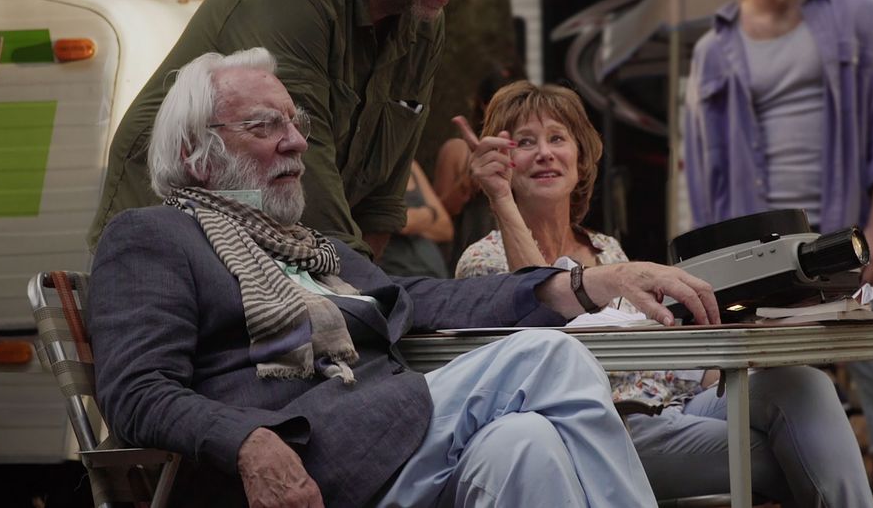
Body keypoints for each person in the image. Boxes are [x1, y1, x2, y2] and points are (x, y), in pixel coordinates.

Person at [89, 47, 722, 508]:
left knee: (524, 444)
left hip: (393, 437)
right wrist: (249, 441)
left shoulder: (311, 245)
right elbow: (137, 390)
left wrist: (582, 284)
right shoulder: (154, 236)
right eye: (265, 126)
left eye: (296, 124)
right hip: (314, 452)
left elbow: (422, 297)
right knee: (549, 357)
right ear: (193, 154)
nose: (295, 144)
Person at [455, 80, 873, 506]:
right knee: (800, 453)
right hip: (606, 428)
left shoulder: (607, 250)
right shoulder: (484, 261)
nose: (545, 152)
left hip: (677, 401)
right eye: (525, 142)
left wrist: (735, 356)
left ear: (580, 158)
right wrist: (501, 199)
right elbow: (541, 297)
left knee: (804, 384)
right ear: (501, 164)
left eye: (557, 138)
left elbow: (666, 345)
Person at [88, 0, 494, 260]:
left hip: (272, 248)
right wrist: (361, 287)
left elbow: (385, 193)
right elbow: (304, 158)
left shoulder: (423, 18)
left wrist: (367, 294)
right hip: (168, 228)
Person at [682, 0, 873, 505]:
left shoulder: (856, 17)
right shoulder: (715, 50)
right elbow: (704, 174)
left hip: (852, 247)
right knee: (776, 411)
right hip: (761, 267)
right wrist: (711, 276)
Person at [434, 65, 514, 272]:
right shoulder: (458, 149)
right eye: (499, 104)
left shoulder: (530, 152)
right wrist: (469, 180)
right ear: (483, 104)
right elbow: (441, 214)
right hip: (471, 251)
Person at [376, 160, 453, 278]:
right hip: (398, 276)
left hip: (436, 276)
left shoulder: (411, 165)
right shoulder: (370, 166)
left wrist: (414, 219)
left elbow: (446, 228)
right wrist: (429, 213)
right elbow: (394, 220)